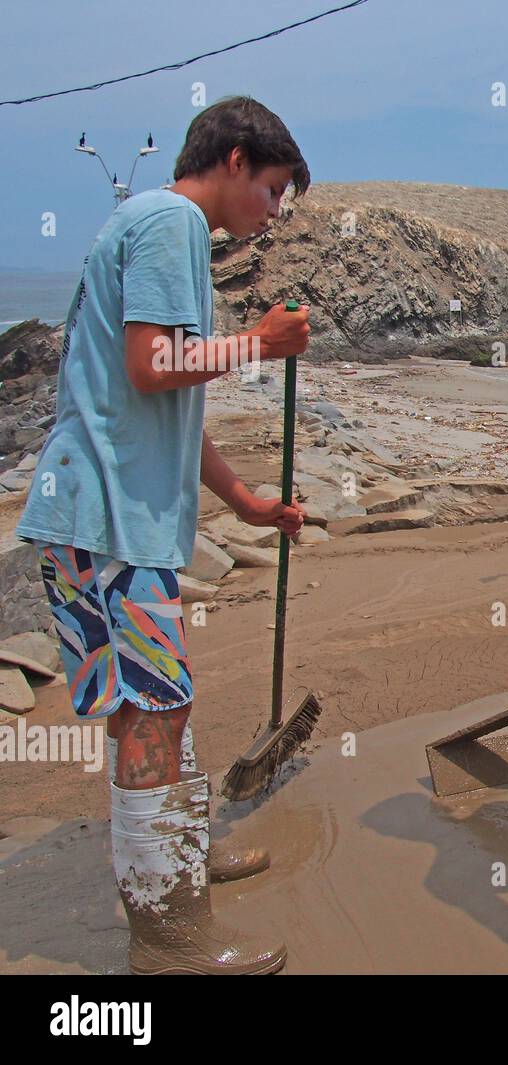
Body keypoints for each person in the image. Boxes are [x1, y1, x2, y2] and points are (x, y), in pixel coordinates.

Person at [17, 96, 314, 974]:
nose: (272, 216)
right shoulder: (171, 221)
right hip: (102, 517)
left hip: (105, 516)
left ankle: (175, 855)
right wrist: (257, 344)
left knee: (156, 698)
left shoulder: (155, 224)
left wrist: (245, 502)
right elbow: (155, 366)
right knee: (157, 700)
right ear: (230, 159)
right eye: (269, 192)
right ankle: (169, 936)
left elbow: (167, 402)